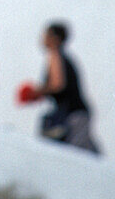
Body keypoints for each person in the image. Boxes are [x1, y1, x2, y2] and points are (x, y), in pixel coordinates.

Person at [31, 22, 100, 153]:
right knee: (85, 150)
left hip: (73, 114)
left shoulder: (55, 55)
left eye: (46, 35)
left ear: (55, 38)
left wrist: (37, 92)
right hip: (75, 113)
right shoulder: (59, 56)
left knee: (77, 153)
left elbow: (57, 85)